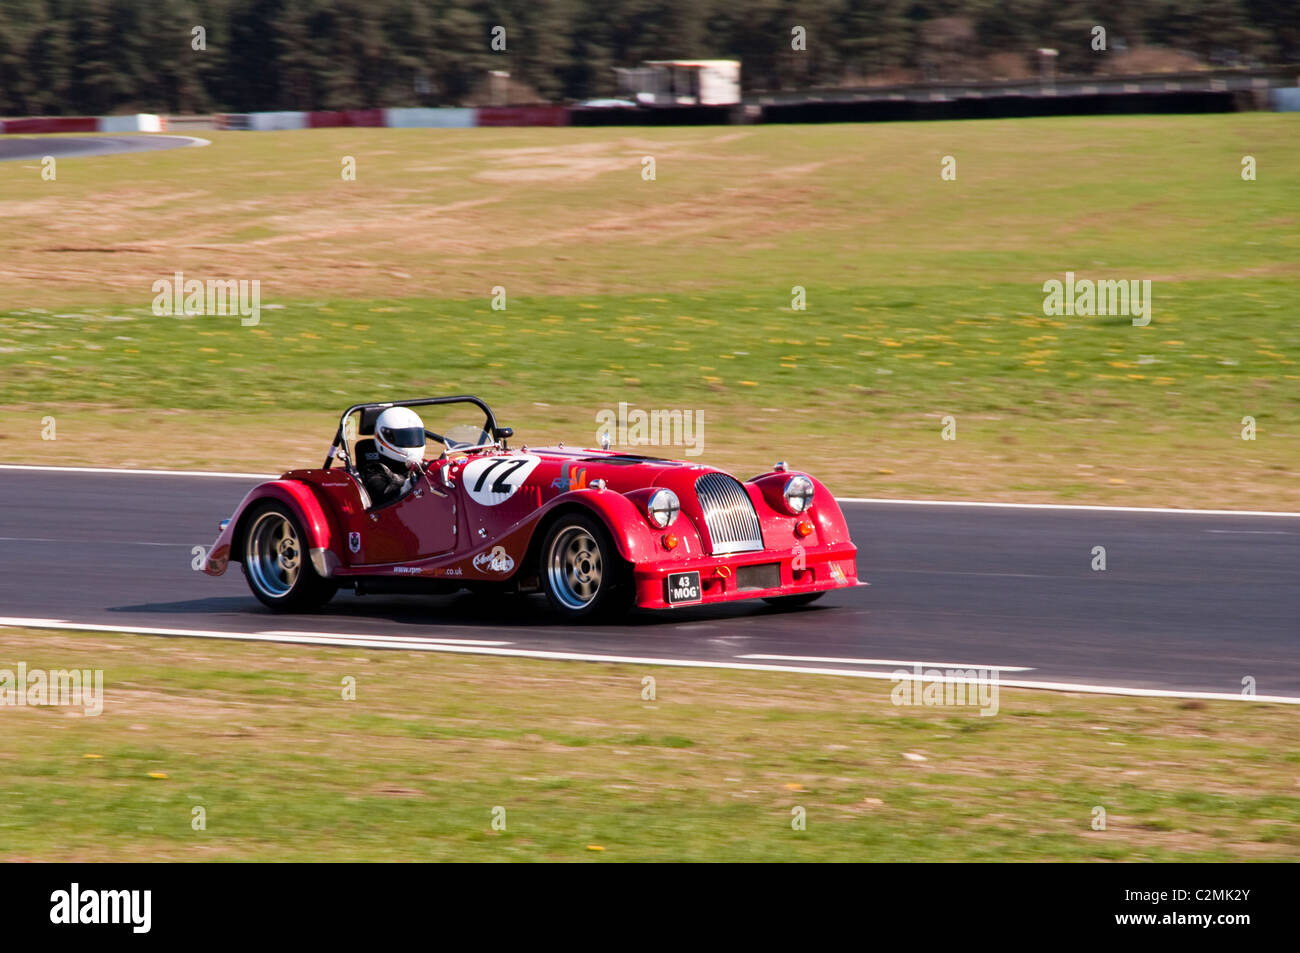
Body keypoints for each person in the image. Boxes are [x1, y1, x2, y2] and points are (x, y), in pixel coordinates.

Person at [360, 406, 426, 506]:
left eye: (413, 437)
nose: (410, 442)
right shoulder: (373, 471)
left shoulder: (420, 466)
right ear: (383, 438)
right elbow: (387, 498)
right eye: (403, 438)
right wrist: (412, 484)